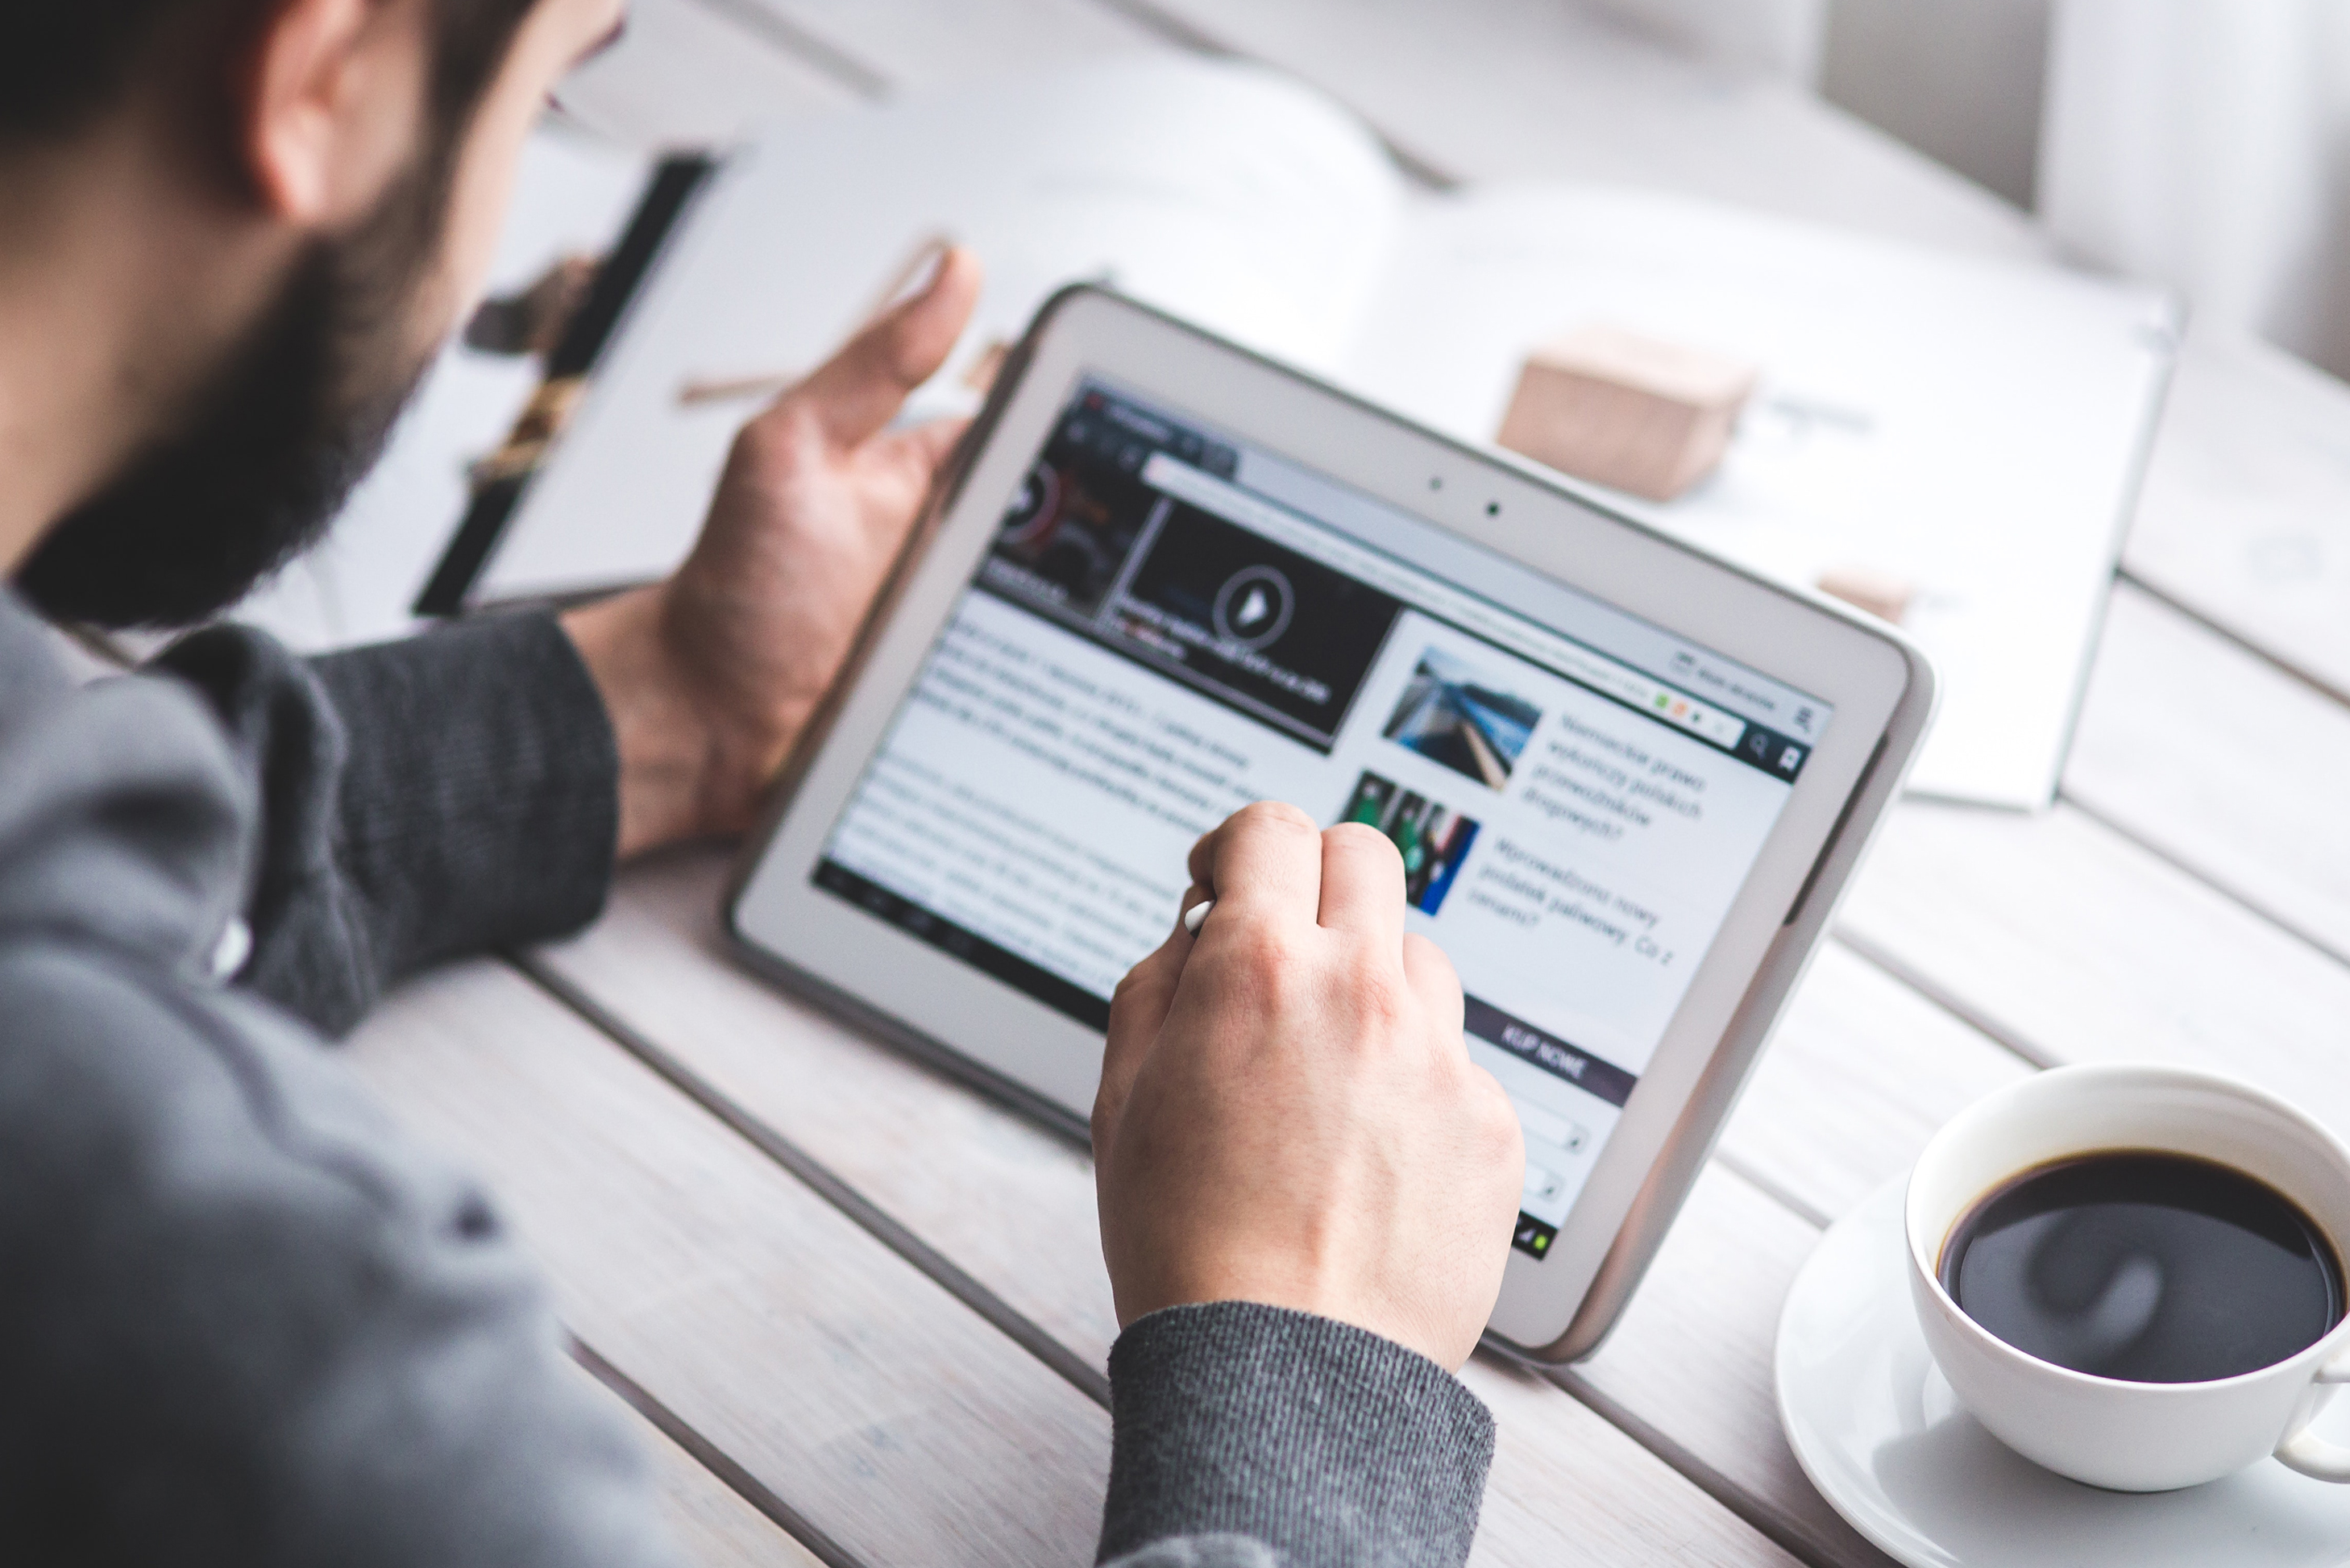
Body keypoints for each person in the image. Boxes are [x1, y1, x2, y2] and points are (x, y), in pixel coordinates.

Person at [0, 1, 1526, 1564]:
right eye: (548, 93)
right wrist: (1313, 1369)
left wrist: (664, 703)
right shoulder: (294, 1375)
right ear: (325, 67)